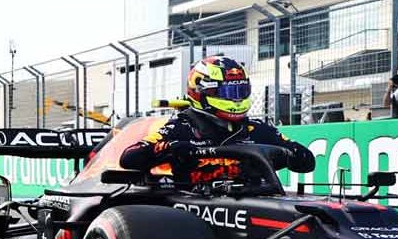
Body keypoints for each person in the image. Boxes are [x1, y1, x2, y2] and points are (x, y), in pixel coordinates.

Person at [119, 55, 315, 182]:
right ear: (201, 91)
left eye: (241, 90)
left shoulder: (257, 130)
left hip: (256, 203)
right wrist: (169, 149)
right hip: (194, 216)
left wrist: (294, 154)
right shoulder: (182, 128)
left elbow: (307, 162)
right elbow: (128, 158)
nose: (236, 98)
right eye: (229, 91)